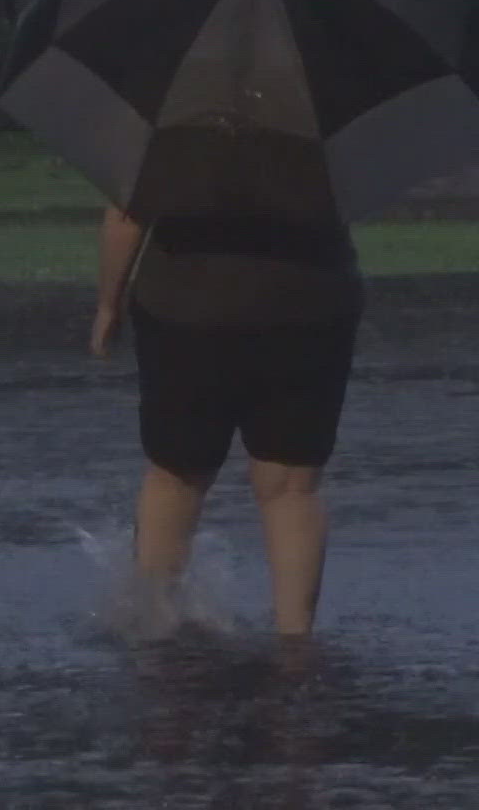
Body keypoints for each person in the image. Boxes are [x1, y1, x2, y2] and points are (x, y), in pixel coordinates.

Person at [89, 203, 364, 638]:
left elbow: (127, 214)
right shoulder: (323, 134)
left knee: (177, 475)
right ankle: (295, 641)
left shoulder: (170, 133)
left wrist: (109, 303)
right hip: (309, 302)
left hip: (185, 305)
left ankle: (155, 632)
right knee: (291, 484)